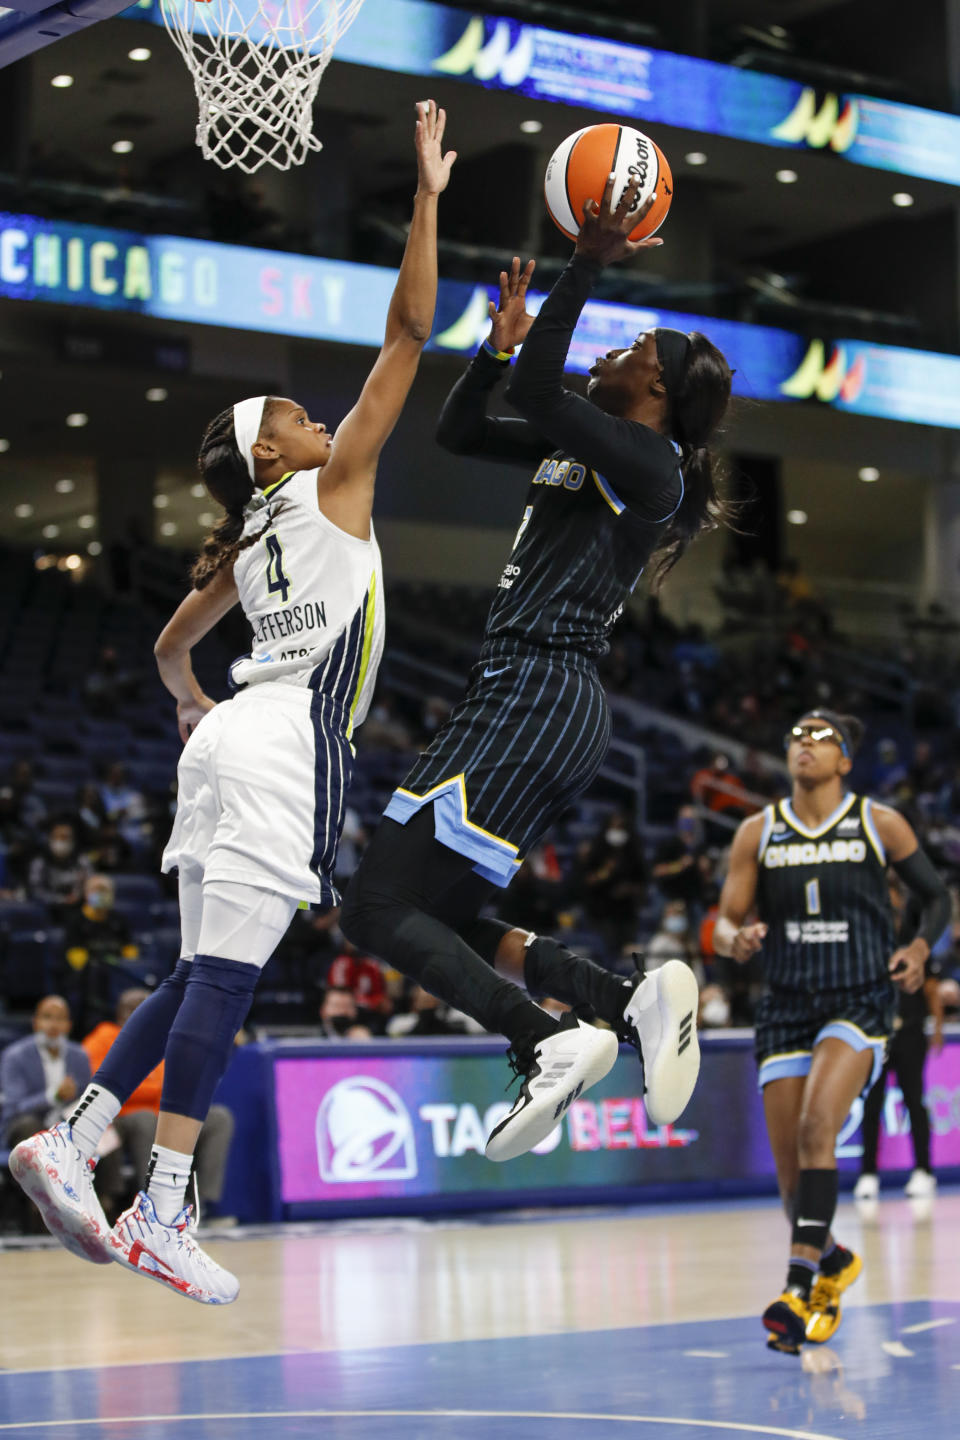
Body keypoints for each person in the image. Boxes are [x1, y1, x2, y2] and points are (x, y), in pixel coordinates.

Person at [9, 99, 456, 1305]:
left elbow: (166, 647)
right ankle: (160, 1202)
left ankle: (74, 1136)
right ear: (273, 453)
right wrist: (425, 196)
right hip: (288, 743)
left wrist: (191, 702)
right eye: (302, 420)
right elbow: (410, 328)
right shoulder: (330, 487)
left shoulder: (241, 537)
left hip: (229, 742)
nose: (323, 422)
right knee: (226, 981)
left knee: (197, 971)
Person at [342, 175, 735, 1161]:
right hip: (530, 697)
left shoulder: (653, 465)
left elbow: (532, 394)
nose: (612, 349)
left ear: (656, 390)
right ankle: (622, 1001)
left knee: (377, 906)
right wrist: (500, 341)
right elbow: (465, 425)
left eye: (634, 349)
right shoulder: (590, 451)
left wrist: (588, 259)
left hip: (538, 690)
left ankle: (550, 1037)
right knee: (437, 912)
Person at [713, 708, 950, 1354]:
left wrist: (922, 950)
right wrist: (738, 941)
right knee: (794, 1188)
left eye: (821, 738)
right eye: (796, 735)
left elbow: (938, 896)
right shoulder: (756, 833)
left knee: (820, 1128)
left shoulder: (880, 822)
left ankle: (796, 1290)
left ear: (845, 759)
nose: (805, 745)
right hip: (784, 1007)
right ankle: (834, 1257)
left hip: (861, 1000)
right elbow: (725, 921)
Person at [83, 989, 235, 1224]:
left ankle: (200, 1204)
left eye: (146, 1010)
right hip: (123, 1117)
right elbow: (102, 1083)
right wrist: (159, 1091)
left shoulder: (168, 1039)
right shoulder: (103, 1038)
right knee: (146, 1120)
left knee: (219, 1117)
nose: (141, 1015)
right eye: (133, 1010)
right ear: (120, 1014)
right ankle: (156, 1205)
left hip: (164, 1114)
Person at [855, 881, 945, 1200]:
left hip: (909, 1031)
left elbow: (932, 987)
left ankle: (924, 1171)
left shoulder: (914, 943)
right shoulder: (865, 945)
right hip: (876, 1035)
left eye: (893, 903)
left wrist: (935, 1027)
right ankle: (867, 1174)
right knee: (871, 1104)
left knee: (914, 1100)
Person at [1, 996, 90, 1149]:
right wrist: (54, 1096)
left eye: (60, 1019)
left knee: (105, 1136)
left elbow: (87, 1100)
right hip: (28, 1125)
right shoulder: (15, 1056)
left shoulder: (80, 1056)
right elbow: (14, 1108)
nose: (54, 1025)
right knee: (29, 1126)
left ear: (69, 1025)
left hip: (68, 1126)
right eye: (47, 1017)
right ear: (35, 1022)